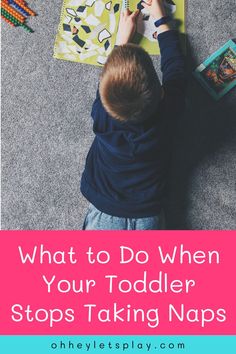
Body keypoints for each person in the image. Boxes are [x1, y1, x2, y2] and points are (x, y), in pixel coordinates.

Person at [81, 0, 186, 230]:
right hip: (149, 212)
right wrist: (161, 18)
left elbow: (106, 83)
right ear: (161, 94)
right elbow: (175, 69)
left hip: (104, 209)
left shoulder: (102, 114)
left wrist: (121, 41)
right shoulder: (170, 110)